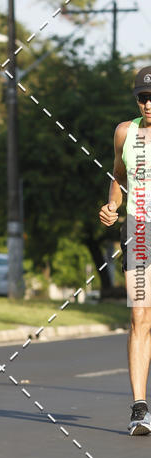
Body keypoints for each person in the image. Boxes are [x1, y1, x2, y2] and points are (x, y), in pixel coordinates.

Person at [99, 66, 151, 434]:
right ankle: (139, 408)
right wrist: (112, 205)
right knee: (140, 317)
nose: (148, 104)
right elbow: (118, 176)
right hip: (139, 230)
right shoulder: (124, 132)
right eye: (142, 98)